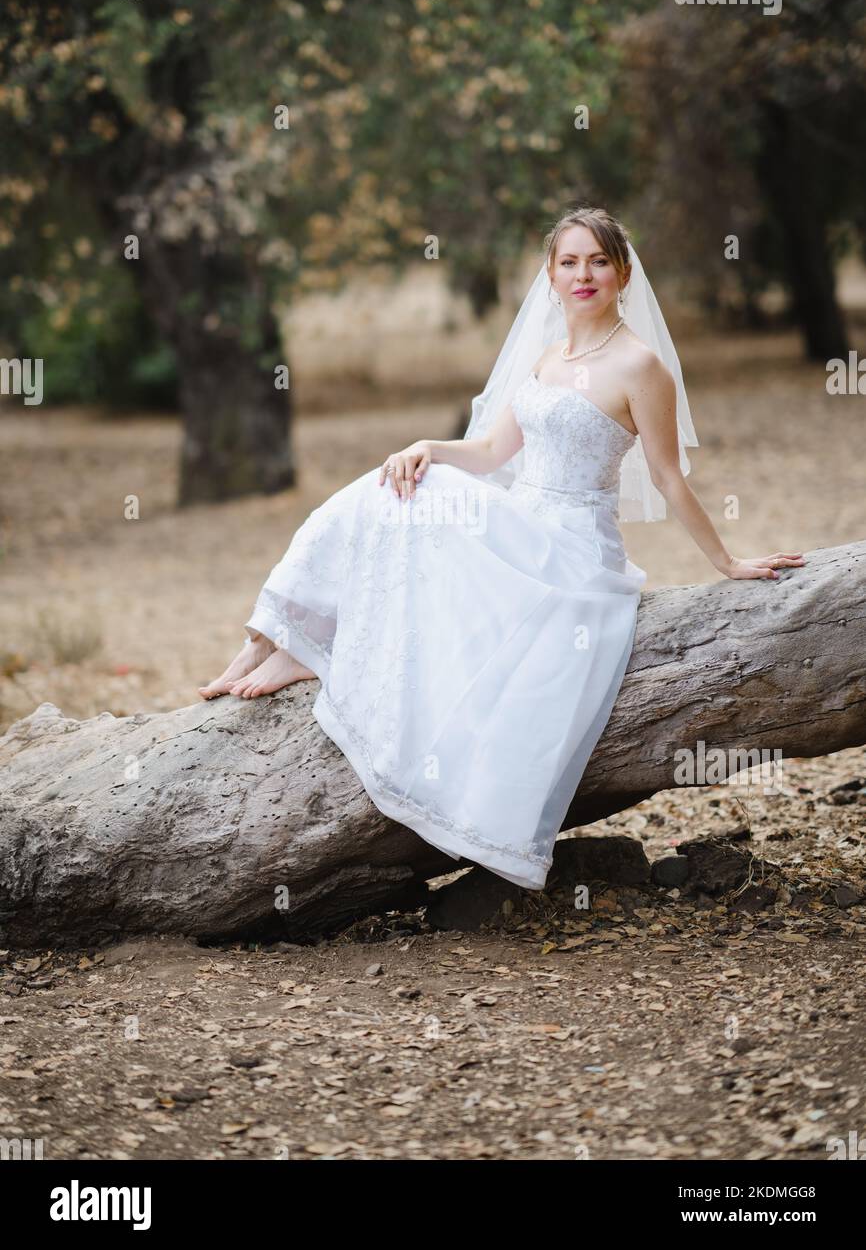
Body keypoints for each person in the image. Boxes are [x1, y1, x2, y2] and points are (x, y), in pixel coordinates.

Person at [198, 207, 804, 890]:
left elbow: (668, 476)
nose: (584, 275)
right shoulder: (548, 357)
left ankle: (306, 647)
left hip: (573, 550)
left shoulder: (641, 366)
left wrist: (727, 562)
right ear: (550, 273)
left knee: (407, 506)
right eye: (569, 262)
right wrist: (428, 445)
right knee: (390, 486)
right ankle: (277, 636)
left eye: (598, 262)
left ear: (623, 273)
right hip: (524, 524)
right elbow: (489, 453)